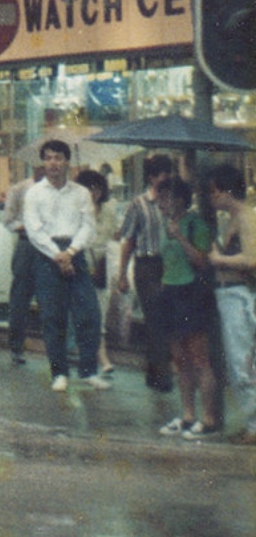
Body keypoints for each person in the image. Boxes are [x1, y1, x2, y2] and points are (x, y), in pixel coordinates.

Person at [22, 139, 105, 392]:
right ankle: (59, 372)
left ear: (67, 162)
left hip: (75, 252)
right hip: (47, 256)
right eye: (48, 158)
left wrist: (70, 252)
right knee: (52, 316)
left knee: (89, 313)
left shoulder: (80, 193)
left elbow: (88, 227)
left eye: (58, 158)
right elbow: (34, 230)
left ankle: (89, 370)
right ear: (43, 162)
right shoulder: (34, 194)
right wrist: (57, 255)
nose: (53, 163)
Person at [156, 174, 222, 439]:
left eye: (166, 198)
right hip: (170, 293)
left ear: (179, 199)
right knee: (180, 359)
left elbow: (201, 261)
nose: (161, 203)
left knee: (199, 358)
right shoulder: (167, 226)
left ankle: (209, 418)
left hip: (191, 294)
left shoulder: (196, 224)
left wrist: (181, 238)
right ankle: (187, 415)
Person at [115, 153, 180, 393]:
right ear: (151, 177)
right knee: (155, 318)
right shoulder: (138, 204)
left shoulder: (175, 202)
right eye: (161, 174)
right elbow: (128, 240)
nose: (166, 178)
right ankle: (163, 375)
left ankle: (153, 370)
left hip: (171, 264)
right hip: (147, 265)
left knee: (167, 319)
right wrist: (122, 274)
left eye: (169, 173)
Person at [201, 164, 253, 441]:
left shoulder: (246, 217)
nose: (212, 197)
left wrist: (220, 260)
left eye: (215, 192)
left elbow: (252, 259)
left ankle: (255, 424)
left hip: (236, 293)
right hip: (226, 293)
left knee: (240, 360)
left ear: (226, 191)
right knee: (237, 360)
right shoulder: (230, 219)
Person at [74, 169, 116, 379]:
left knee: (100, 311)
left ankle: (100, 356)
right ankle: (95, 356)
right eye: (89, 188)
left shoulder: (109, 211)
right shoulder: (77, 212)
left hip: (102, 267)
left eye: (97, 188)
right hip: (82, 265)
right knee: (86, 314)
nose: (94, 193)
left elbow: (114, 236)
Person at [4, 163, 43, 366]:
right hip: (27, 244)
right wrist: (25, 227)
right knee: (20, 297)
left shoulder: (59, 191)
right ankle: (16, 346)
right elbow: (8, 220)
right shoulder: (19, 190)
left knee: (53, 298)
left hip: (51, 245)